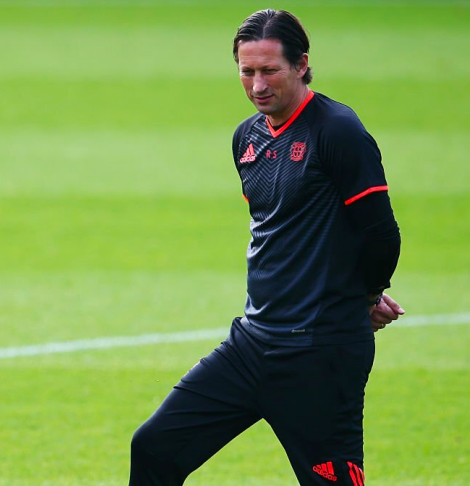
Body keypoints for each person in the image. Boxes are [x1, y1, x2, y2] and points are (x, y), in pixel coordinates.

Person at [129, 10, 403, 485]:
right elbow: (281, 229)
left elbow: (381, 234)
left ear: (301, 65)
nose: (257, 84)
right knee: (155, 448)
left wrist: (364, 296)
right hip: (252, 344)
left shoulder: (337, 131)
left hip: (320, 353)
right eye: (247, 71)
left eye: (269, 70)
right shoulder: (247, 138)